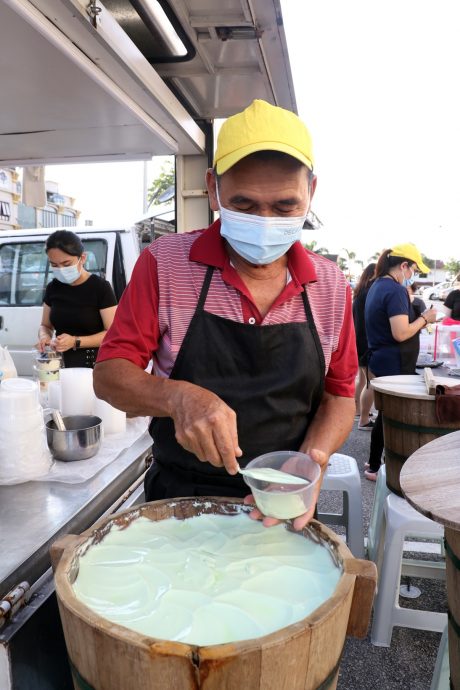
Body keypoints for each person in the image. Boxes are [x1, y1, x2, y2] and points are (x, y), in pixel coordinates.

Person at [93, 99, 358, 530]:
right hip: (178, 502)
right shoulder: (165, 264)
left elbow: (340, 394)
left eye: (286, 206)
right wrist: (177, 397)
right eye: (245, 205)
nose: (265, 221)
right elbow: (109, 374)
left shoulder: (331, 286)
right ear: (213, 188)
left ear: (312, 191)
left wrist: (312, 464)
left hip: (281, 503)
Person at [363, 245, 437, 481]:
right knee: (391, 416)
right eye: (414, 269)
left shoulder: (377, 285)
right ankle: (376, 467)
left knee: (385, 414)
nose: (414, 275)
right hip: (393, 363)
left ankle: (374, 464)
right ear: (403, 266)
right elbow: (401, 332)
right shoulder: (394, 290)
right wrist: (426, 318)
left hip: (382, 360)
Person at [37, 230, 117, 368]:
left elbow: (112, 333)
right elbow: (45, 326)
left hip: (94, 365)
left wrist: (75, 341)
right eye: (54, 265)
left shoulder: (100, 287)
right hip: (61, 364)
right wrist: (45, 337)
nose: (61, 269)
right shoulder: (53, 287)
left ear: (82, 258)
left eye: (66, 264)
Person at [352, 263, 376, 430]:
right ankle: (364, 420)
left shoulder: (359, 292)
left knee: (362, 379)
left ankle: (358, 411)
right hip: (366, 341)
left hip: (358, 340)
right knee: (371, 381)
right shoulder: (370, 293)